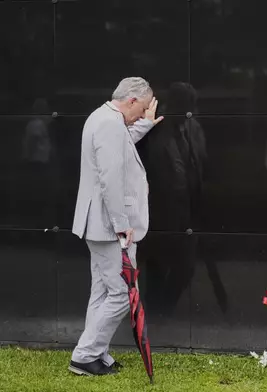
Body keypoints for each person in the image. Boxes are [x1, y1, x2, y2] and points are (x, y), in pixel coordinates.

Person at [68, 77, 164, 376]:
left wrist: (145, 125)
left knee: (103, 292)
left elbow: (120, 148)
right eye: (143, 108)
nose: (143, 113)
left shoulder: (103, 118)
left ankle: (95, 353)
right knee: (122, 294)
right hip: (109, 227)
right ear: (132, 100)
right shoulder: (110, 123)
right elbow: (110, 178)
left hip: (96, 224)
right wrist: (122, 225)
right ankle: (85, 355)